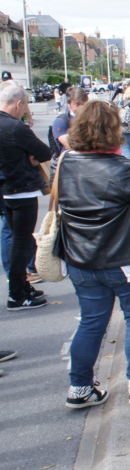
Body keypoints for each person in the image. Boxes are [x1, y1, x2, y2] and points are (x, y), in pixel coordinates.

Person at [58, 100, 130, 408]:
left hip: (80, 258)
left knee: (91, 322)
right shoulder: (124, 169)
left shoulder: (65, 162)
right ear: (113, 131)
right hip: (124, 260)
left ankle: (79, 388)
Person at [0, 82, 51, 311]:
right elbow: (44, 152)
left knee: (16, 242)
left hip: (5, 192)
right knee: (21, 243)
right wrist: (30, 157)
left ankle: (22, 288)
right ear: (18, 103)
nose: (24, 111)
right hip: (22, 190)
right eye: (24, 107)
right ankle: (17, 294)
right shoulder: (16, 127)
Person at [49, 86, 87, 177]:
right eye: (77, 104)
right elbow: (71, 145)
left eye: (84, 104)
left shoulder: (91, 119)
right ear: (69, 104)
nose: (81, 108)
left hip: (87, 166)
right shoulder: (61, 121)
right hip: (69, 168)